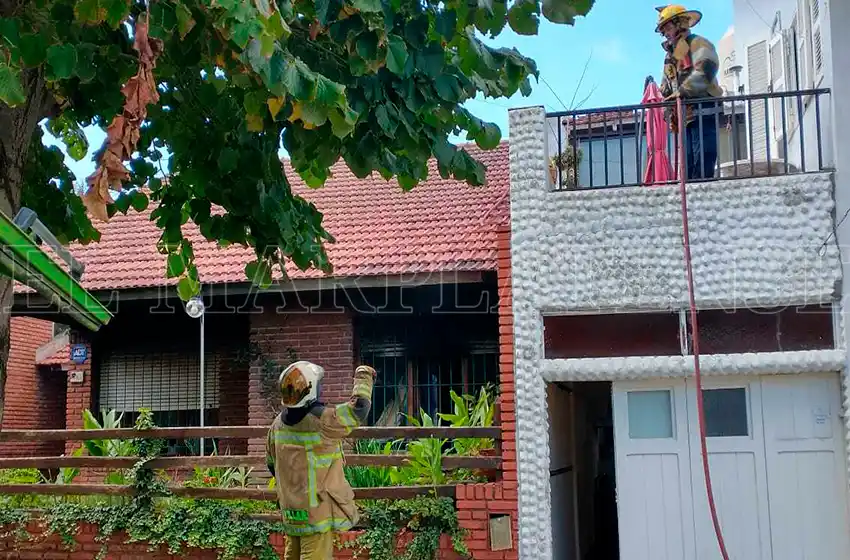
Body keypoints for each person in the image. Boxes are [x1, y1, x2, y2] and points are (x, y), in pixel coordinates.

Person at [266, 361, 377, 560]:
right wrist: (364, 376)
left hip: (292, 512)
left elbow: (271, 464)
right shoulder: (322, 421)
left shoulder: (276, 426)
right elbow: (359, 409)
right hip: (316, 514)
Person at [656, 5, 724, 180]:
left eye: (668, 28)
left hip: (704, 111)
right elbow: (667, 85)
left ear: (681, 24)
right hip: (686, 116)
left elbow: (707, 68)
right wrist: (663, 98)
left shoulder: (697, 43)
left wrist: (682, 91)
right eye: (663, 32)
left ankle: (703, 198)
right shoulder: (672, 56)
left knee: (703, 161)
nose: (666, 34)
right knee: (688, 168)